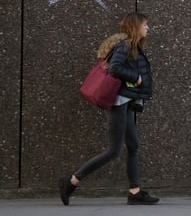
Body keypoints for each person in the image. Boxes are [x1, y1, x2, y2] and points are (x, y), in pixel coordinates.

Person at [59, 12, 159, 205]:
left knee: (133, 145)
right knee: (113, 151)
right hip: (118, 103)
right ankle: (71, 181)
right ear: (135, 26)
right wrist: (136, 78)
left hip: (126, 102)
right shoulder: (126, 45)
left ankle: (135, 192)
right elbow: (115, 68)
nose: (148, 28)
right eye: (145, 24)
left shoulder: (133, 46)